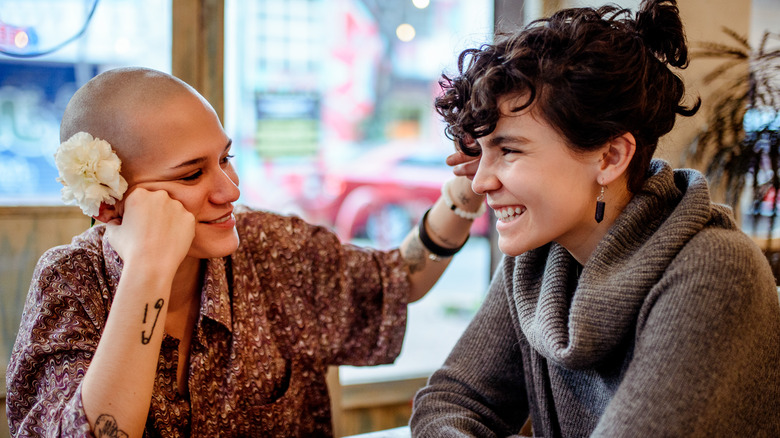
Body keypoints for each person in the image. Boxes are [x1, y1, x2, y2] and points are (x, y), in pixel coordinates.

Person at [5, 67, 486, 437]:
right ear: (109, 202)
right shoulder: (71, 281)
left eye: (225, 159)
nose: (230, 190)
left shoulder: (269, 246)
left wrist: (467, 192)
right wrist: (148, 269)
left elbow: (399, 280)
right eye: (192, 174)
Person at [411, 0, 780, 436]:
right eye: (482, 152)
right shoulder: (536, 259)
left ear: (610, 156)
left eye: (508, 150)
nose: (479, 183)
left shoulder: (714, 270)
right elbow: (447, 403)